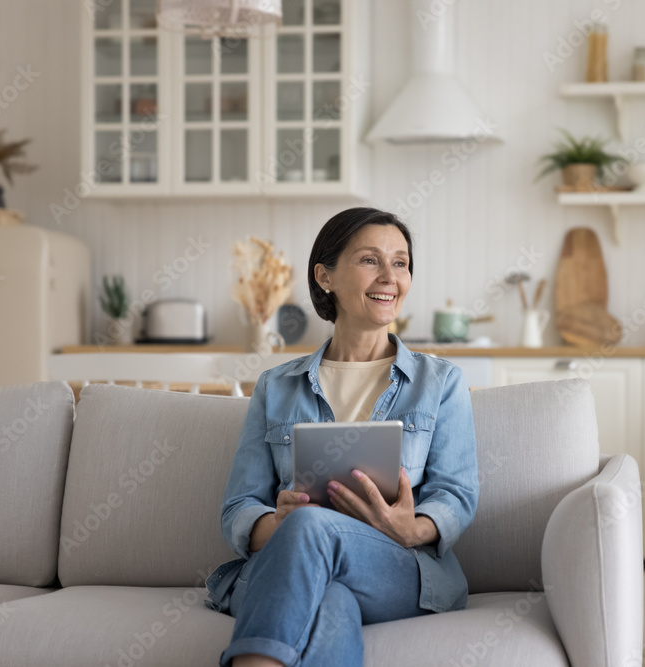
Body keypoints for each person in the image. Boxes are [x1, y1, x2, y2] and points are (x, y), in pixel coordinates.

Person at [204, 207, 480, 667]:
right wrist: (274, 524)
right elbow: (240, 505)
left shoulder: (441, 382)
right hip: (293, 566)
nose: (390, 276)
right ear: (325, 276)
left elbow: (457, 492)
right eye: (370, 260)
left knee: (310, 525)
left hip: (395, 568)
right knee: (331, 599)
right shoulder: (276, 386)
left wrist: (411, 528)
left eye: (401, 262)